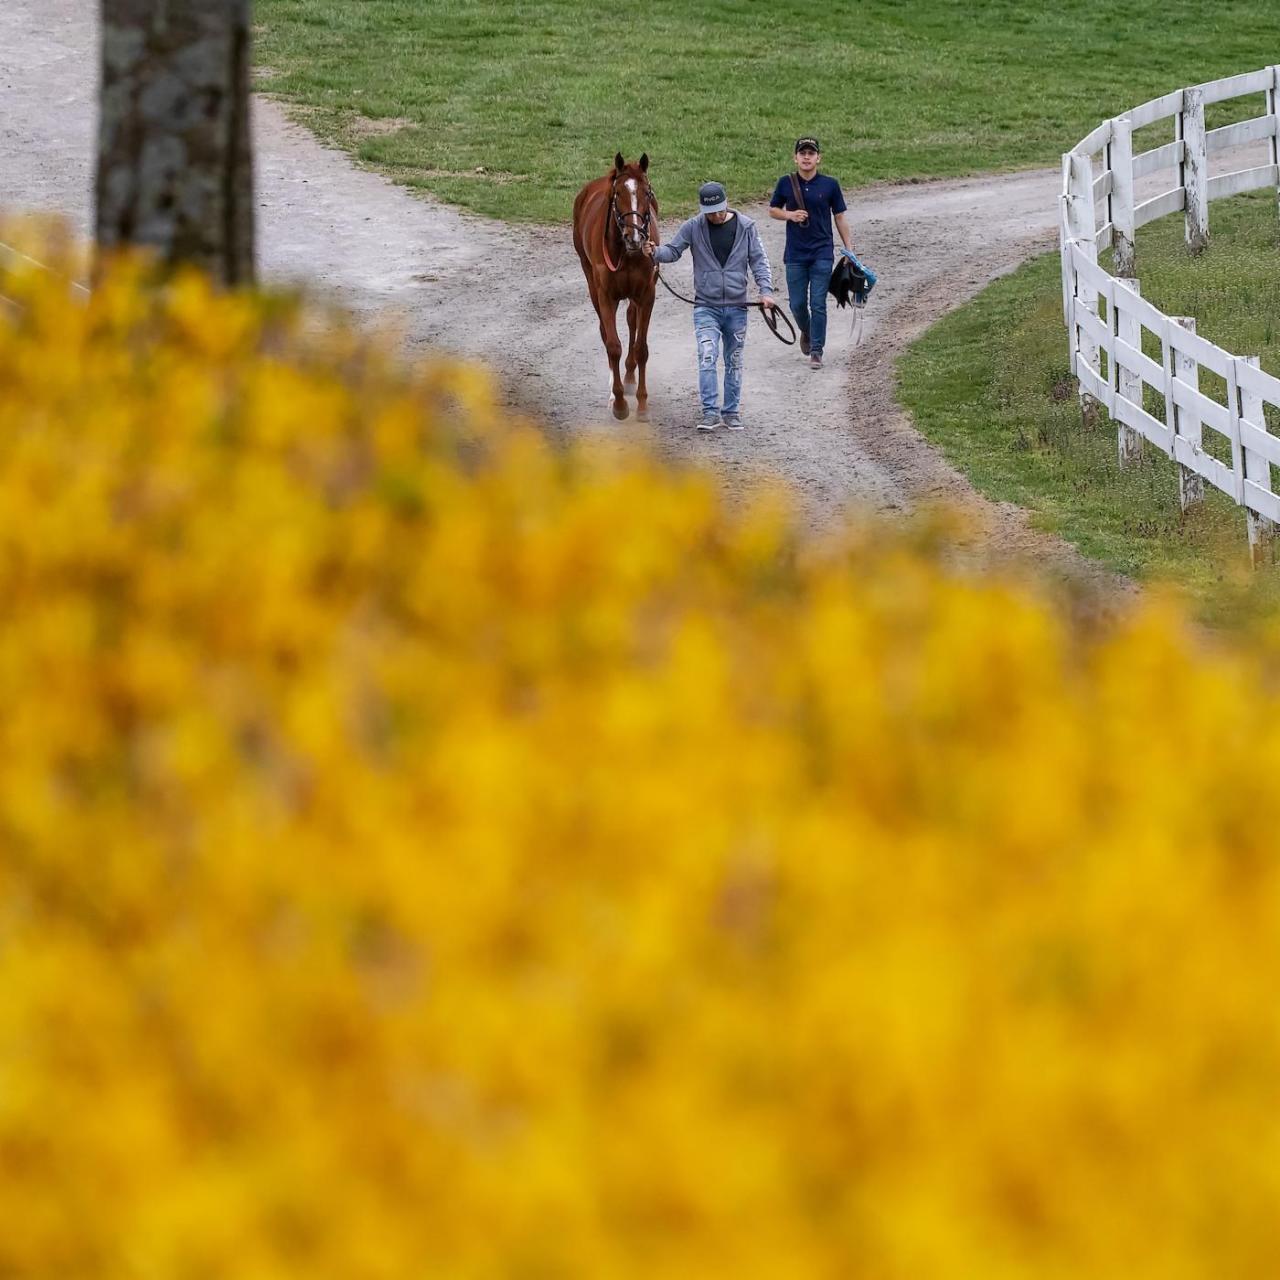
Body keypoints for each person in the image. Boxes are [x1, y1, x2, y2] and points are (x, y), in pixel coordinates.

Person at [643, 180, 775, 431]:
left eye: (719, 210)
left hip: (738, 307)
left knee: (734, 359)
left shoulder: (747, 227)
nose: (715, 216)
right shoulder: (693, 227)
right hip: (706, 306)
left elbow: (759, 261)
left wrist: (766, 291)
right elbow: (673, 251)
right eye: (709, 212)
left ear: (727, 204)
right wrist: (655, 252)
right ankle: (710, 411)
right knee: (707, 356)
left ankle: (732, 411)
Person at [769, 136, 854, 370]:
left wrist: (849, 248)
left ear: (819, 158)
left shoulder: (830, 185)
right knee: (797, 304)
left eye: (811, 153)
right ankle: (807, 331)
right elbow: (773, 210)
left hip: (822, 253)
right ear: (795, 158)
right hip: (795, 254)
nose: (807, 157)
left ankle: (817, 350)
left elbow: (840, 217)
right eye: (802, 153)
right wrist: (790, 215)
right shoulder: (785, 183)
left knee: (818, 303)